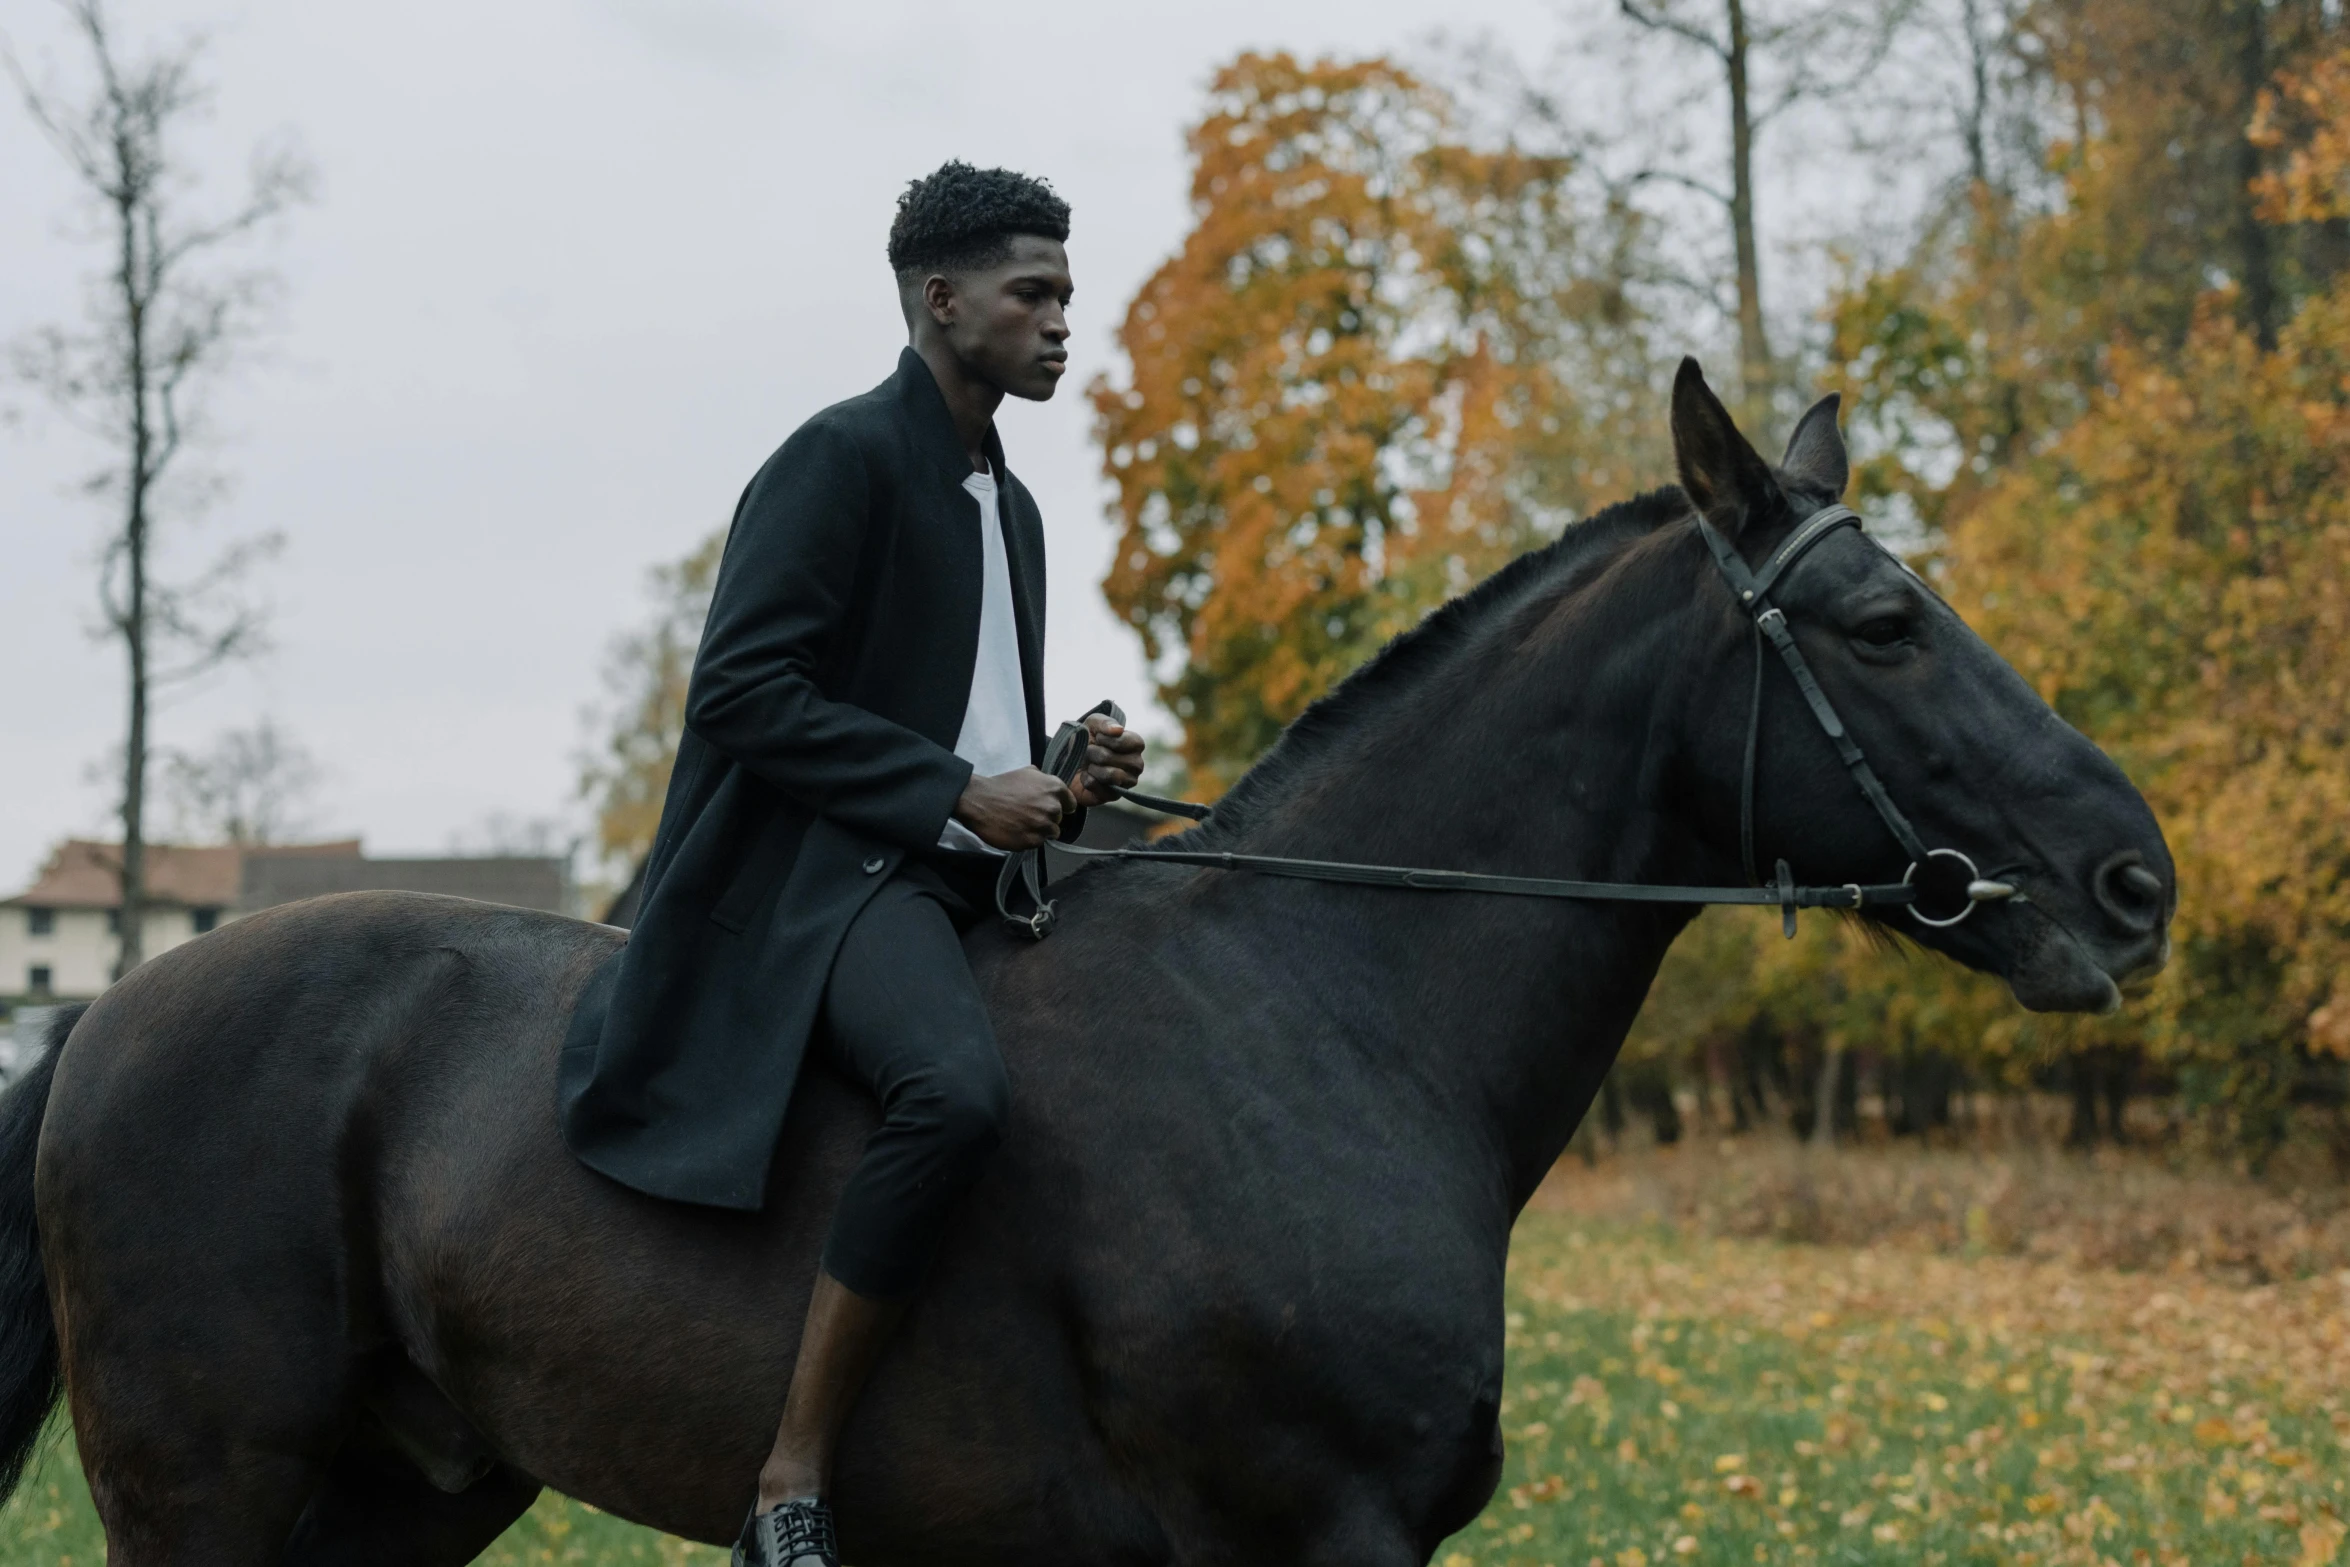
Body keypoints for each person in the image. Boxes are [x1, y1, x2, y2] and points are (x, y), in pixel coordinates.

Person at [555, 161, 1145, 1567]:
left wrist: (1065, 763)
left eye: (1068, 294)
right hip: (827, 876)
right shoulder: (837, 457)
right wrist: (952, 789)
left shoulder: (1012, 502)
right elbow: (744, 690)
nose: (1064, 321)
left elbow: (962, 717)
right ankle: (791, 1478)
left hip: (953, 870)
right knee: (951, 1090)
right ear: (942, 302)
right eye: (1034, 293)